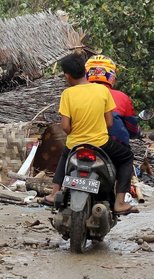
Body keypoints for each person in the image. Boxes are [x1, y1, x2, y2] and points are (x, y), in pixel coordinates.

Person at [45, 54, 139, 214]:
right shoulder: (103, 91)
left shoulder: (67, 94)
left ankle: (54, 193)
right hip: (101, 144)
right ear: (84, 71)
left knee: (64, 157)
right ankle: (120, 202)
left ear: (67, 76)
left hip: (75, 145)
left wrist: (76, 131)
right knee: (126, 158)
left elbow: (66, 127)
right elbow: (109, 123)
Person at [84, 55, 138, 145]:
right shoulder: (122, 97)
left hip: (81, 143)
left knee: (64, 157)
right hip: (113, 145)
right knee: (128, 157)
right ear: (111, 76)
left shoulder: (74, 94)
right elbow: (132, 126)